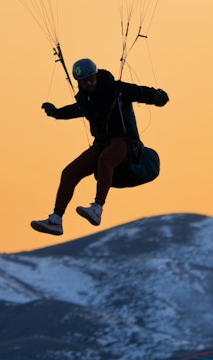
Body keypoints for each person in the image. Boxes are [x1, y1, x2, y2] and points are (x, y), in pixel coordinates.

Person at [31, 57, 169, 236]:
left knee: (105, 160)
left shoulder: (116, 89)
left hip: (125, 143)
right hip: (102, 144)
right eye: (84, 81)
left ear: (96, 76)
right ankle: (56, 220)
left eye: (91, 79)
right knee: (69, 172)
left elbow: (140, 93)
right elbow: (75, 110)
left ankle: (97, 208)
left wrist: (158, 97)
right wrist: (56, 113)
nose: (89, 83)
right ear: (79, 82)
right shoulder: (86, 100)